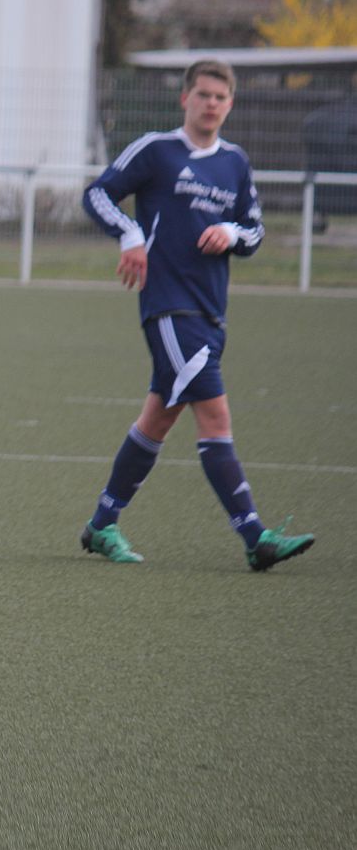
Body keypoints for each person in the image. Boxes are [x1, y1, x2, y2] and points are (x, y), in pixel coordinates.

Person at [79, 59, 315, 571]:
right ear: (184, 98)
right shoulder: (157, 151)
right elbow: (97, 193)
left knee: (156, 421)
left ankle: (102, 525)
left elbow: (253, 231)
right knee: (215, 415)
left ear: (230, 105)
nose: (211, 103)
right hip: (168, 308)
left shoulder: (234, 163)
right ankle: (256, 538)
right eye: (203, 94)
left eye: (220, 97)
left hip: (211, 314)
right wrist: (131, 233)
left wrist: (232, 233)